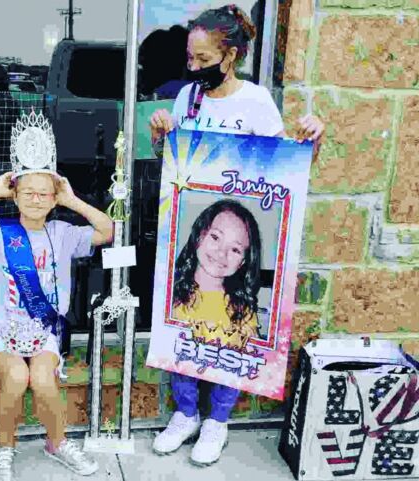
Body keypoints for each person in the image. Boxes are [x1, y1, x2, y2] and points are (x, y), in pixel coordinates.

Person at [148, 4, 325, 467]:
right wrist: (161, 136)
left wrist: (312, 141)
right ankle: (186, 413)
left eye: (203, 59)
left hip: (236, 231)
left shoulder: (256, 102)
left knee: (230, 327)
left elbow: (285, 168)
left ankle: (218, 420)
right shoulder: (187, 98)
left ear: (231, 56)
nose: (194, 67)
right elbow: (174, 166)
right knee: (183, 322)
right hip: (195, 231)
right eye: (190, 58)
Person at [0, 111, 113, 481]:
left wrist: (71, 200)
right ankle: (5, 450)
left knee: (44, 379)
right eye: (27, 192)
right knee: (17, 377)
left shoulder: (64, 233)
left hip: (45, 332)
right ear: (15, 194)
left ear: (53, 198)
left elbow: (106, 230)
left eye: (44, 194)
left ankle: (57, 443)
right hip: (3, 332)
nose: (36, 199)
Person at [172, 200, 261, 351]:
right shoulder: (169, 293)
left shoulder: (242, 310)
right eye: (215, 237)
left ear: (243, 262)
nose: (221, 253)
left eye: (235, 249)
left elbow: (256, 356)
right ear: (199, 234)